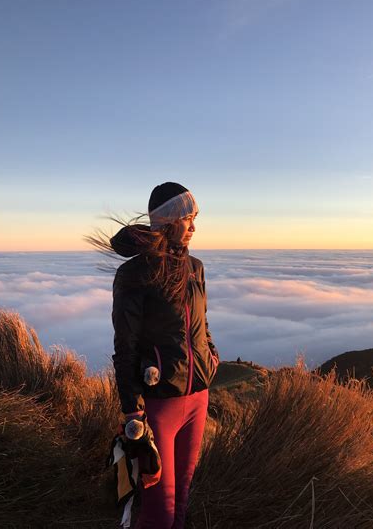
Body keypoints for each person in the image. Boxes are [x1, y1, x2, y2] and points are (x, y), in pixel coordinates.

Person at [107, 182, 220, 529]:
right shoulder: (135, 273)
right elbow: (124, 346)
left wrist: (210, 358)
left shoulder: (196, 268)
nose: (194, 227)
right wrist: (131, 410)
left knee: (181, 501)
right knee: (159, 512)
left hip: (197, 399)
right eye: (188, 218)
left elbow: (200, 325)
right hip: (157, 407)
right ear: (169, 221)